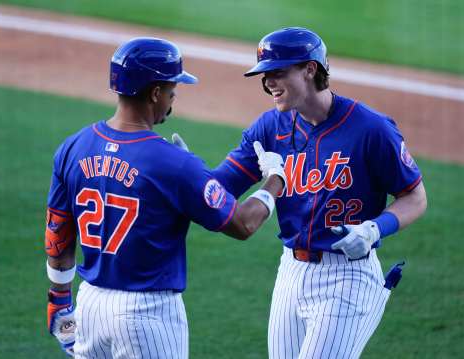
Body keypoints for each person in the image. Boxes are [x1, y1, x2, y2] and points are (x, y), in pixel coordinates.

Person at [44, 37, 286, 358]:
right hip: (147, 316)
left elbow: (58, 236)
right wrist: (275, 180)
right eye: (172, 90)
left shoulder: (73, 147)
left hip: (91, 306)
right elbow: (242, 224)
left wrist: (59, 298)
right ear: (155, 92)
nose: (172, 100)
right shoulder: (174, 163)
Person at [208, 27, 428, 358]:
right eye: (265, 75)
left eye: (278, 72)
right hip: (290, 272)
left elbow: (415, 197)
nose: (268, 83)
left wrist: (373, 229)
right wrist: (184, 172)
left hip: (348, 276)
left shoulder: (371, 129)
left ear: (310, 69)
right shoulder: (269, 128)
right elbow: (221, 186)